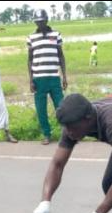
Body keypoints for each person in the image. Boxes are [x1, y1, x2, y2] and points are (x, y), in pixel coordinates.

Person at [27, 9, 67, 145]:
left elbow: (61, 56)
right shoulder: (31, 37)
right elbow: (30, 60)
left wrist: (64, 76)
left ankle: (66, 133)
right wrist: (31, 80)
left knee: (61, 107)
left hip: (54, 77)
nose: (40, 24)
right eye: (37, 22)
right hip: (38, 79)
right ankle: (47, 134)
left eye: (42, 21)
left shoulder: (56, 34)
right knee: (41, 109)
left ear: (47, 20)